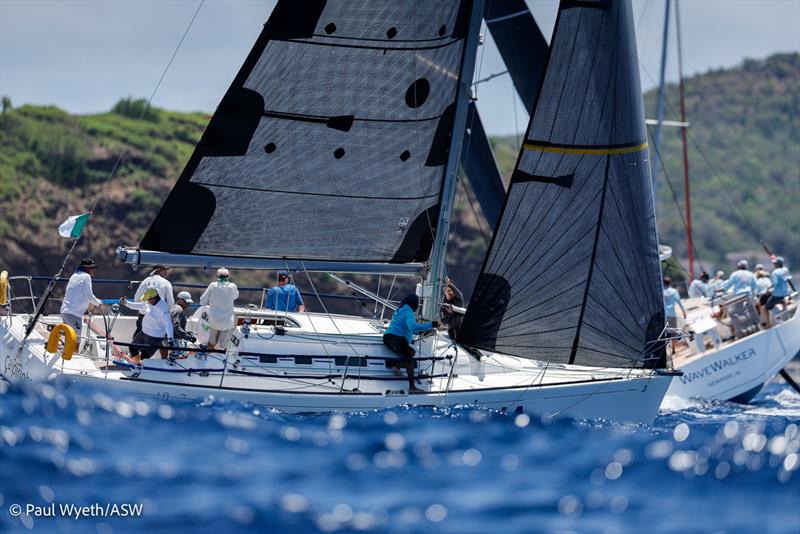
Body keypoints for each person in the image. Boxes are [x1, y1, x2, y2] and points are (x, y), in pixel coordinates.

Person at [383, 294, 439, 394]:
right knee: (410, 360)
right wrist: (431, 324)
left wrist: (420, 330)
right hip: (396, 337)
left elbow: (408, 328)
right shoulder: (408, 312)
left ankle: (397, 366)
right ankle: (412, 387)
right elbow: (413, 327)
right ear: (414, 304)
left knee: (411, 352)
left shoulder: (401, 309)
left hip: (389, 336)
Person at [121, 288, 174, 364]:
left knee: (144, 357)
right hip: (144, 332)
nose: (147, 301)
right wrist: (126, 303)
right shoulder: (149, 302)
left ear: (154, 298)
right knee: (132, 347)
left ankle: (139, 366)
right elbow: (138, 306)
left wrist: (170, 339)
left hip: (155, 337)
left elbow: (168, 324)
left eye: (148, 299)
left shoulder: (163, 309)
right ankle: (137, 364)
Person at [200, 268, 239, 350]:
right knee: (224, 347)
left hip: (214, 321)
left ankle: (207, 358)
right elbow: (236, 296)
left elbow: (202, 301)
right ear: (228, 276)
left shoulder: (212, 286)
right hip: (227, 322)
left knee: (211, 344)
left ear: (217, 276)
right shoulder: (232, 286)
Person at [60, 258, 102, 334]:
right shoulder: (86, 277)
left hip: (64, 312)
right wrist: (98, 303)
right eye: (92, 268)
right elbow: (89, 296)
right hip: (74, 314)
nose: (94, 270)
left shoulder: (74, 276)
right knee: (76, 341)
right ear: (87, 268)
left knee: (68, 340)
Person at [133, 265, 174, 337]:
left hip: (144, 314)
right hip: (159, 315)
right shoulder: (166, 283)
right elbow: (171, 303)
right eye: (165, 270)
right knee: (159, 338)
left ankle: (136, 347)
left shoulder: (145, 281)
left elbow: (136, 299)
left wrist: (142, 310)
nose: (166, 272)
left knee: (140, 336)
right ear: (160, 270)